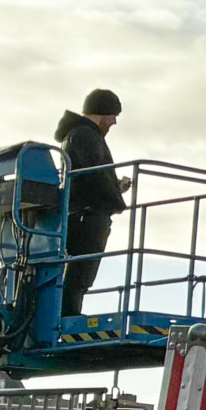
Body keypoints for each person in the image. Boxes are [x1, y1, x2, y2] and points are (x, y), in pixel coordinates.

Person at [53, 90, 129, 319]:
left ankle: (67, 311)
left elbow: (86, 175)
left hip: (80, 212)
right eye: (113, 115)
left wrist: (115, 186)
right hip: (88, 215)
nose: (114, 122)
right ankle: (68, 313)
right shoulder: (86, 135)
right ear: (102, 113)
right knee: (81, 271)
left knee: (78, 270)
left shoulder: (77, 135)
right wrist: (113, 194)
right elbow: (93, 175)